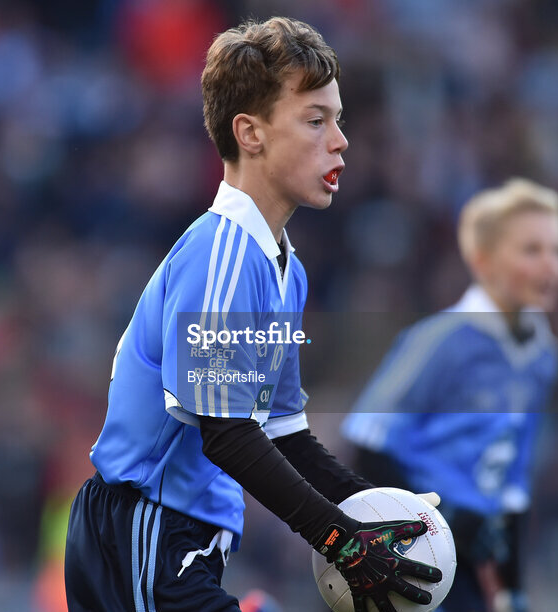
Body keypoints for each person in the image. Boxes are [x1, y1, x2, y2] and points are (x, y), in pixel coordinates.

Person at [64, 17, 442, 612]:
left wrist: (372, 508)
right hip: (143, 534)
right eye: (316, 120)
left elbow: (281, 432)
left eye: (337, 120)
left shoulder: (284, 270)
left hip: (186, 544)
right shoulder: (222, 254)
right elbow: (228, 436)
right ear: (250, 133)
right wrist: (342, 540)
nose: (340, 140)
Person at [342, 178, 558, 612]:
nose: (550, 267)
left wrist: (511, 586)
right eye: (530, 251)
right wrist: (437, 521)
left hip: (473, 558)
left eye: (556, 251)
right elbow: (368, 445)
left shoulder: (543, 356)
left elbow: (513, 483)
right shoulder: (441, 341)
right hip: (408, 545)